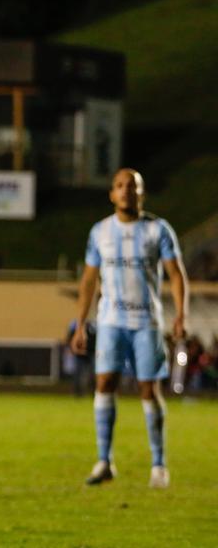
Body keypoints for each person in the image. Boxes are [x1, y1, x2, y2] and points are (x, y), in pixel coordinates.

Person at [71, 168, 188, 489]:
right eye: (120, 186)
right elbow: (88, 281)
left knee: (149, 390)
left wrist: (181, 315)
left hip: (146, 323)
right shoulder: (100, 232)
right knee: (104, 383)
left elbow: (176, 274)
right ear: (111, 194)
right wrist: (80, 325)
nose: (126, 191)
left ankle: (159, 465)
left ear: (141, 194)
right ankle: (104, 461)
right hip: (110, 322)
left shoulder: (157, 230)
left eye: (132, 186)